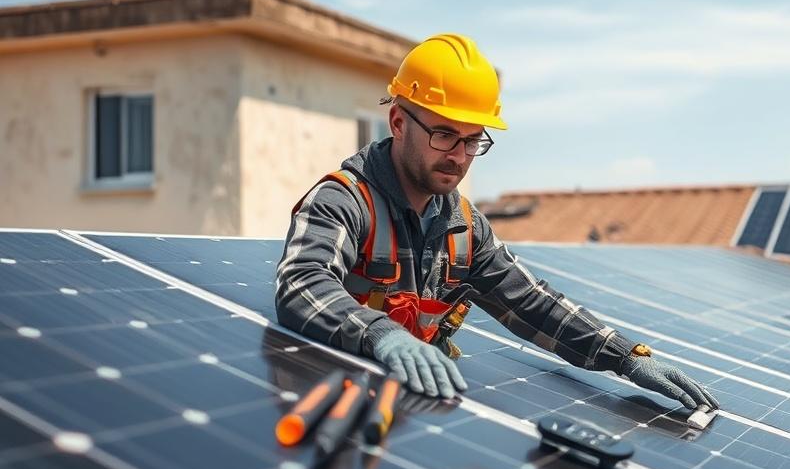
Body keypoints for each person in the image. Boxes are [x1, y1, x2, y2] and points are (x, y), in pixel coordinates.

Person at [276, 33, 719, 414]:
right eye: (444, 134)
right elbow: (301, 283)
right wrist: (380, 334)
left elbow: (532, 303)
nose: (458, 156)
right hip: (330, 407)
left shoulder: (464, 228)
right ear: (397, 122)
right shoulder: (343, 200)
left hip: (408, 410)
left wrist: (624, 357)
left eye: (473, 141)